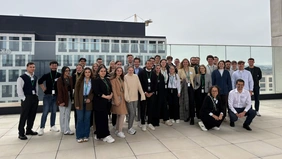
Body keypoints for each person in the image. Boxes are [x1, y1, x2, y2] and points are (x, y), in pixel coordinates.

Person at [38, 61, 61, 136]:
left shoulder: (59, 75)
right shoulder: (47, 75)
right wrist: (44, 89)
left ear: (57, 66)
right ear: (50, 66)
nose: (54, 66)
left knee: (54, 111)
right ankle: (41, 127)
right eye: (52, 65)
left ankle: (53, 126)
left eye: (55, 65)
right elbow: (39, 81)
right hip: (47, 96)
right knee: (45, 112)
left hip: (55, 96)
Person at [17, 62, 39, 140]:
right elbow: (19, 89)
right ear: (27, 68)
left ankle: (29, 130)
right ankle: (21, 133)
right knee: (24, 115)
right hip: (26, 98)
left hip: (34, 97)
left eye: (33, 67)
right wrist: (23, 98)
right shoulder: (22, 77)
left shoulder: (35, 77)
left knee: (32, 115)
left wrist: (36, 95)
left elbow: (36, 87)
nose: (32, 68)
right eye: (30, 67)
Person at [93, 66, 115, 143]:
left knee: (105, 118)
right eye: (101, 71)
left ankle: (102, 134)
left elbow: (110, 89)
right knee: (100, 119)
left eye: (104, 71)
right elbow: (97, 92)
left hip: (106, 102)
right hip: (99, 103)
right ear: (98, 72)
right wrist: (106, 96)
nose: (103, 72)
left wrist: (111, 95)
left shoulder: (106, 79)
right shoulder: (96, 80)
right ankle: (104, 135)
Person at [74, 67, 94, 143]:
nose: (88, 73)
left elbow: (93, 92)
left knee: (87, 119)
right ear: (83, 73)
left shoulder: (92, 81)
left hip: (89, 101)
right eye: (86, 72)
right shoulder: (80, 81)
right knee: (80, 119)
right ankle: (79, 136)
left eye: (89, 72)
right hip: (80, 100)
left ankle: (86, 135)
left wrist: (90, 98)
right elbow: (76, 93)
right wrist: (77, 104)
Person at [124, 66, 146, 135]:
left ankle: (131, 127)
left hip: (135, 97)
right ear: (127, 70)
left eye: (132, 70)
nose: (131, 71)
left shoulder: (136, 76)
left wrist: (142, 94)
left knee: (133, 114)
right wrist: (127, 97)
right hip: (129, 98)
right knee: (132, 113)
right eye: (129, 70)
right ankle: (129, 128)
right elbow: (125, 88)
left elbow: (139, 85)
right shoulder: (125, 77)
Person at [138, 60, 158, 131]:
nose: (149, 65)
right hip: (143, 93)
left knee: (151, 108)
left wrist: (152, 92)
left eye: (151, 64)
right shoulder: (141, 73)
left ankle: (150, 122)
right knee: (143, 108)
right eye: (148, 64)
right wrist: (145, 92)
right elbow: (139, 84)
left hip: (151, 94)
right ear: (145, 65)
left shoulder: (154, 73)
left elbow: (155, 84)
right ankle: (143, 123)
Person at [110, 67, 128, 138]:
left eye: (121, 71)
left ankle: (118, 130)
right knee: (122, 114)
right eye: (118, 70)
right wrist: (116, 99)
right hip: (117, 98)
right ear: (115, 71)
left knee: (119, 115)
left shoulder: (121, 79)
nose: (119, 72)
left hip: (123, 98)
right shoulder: (113, 80)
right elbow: (113, 90)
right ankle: (120, 131)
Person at [57, 66, 74, 135]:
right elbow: (59, 91)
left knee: (67, 114)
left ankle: (66, 128)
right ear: (63, 71)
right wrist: (61, 101)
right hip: (62, 97)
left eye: (68, 71)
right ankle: (64, 129)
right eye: (66, 71)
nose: (68, 72)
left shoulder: (70, 78)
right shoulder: (60, 79)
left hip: (69, 97)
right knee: (63, 114)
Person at [178, 58, 196, 125]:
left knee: (191, 102)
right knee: (186, 102)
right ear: (182, 63)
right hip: (184, 87)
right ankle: (186, 116)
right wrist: (182, 80)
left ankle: (192, 118)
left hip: (191, 87)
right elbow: (178, 79)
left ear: (188, 63)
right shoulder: (180, 70)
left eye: (186, 62)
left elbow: (194, 78)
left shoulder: (192, 69)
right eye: (184, 62)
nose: (185, 63)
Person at [159, 59, 172, 126]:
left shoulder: (168, 70)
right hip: (160, 89)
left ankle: (166, 118)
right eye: (162, 62)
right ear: (160, 63)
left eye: (165, 62)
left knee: (166, 103)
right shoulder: (158, 70)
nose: (163, 63)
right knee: (161, 103)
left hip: (167, 88)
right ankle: (162, 118)